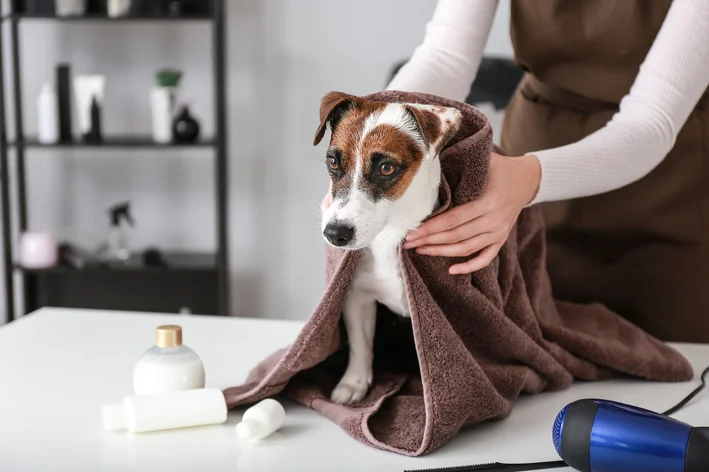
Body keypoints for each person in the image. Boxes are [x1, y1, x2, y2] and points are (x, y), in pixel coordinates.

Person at [320, 0, 709, 343]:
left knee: (671, 373)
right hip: (530, 160)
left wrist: (530, 179)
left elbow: (651, 122)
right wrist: (368, 136)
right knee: (526, 346)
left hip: (662, 198)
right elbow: (445, 57)